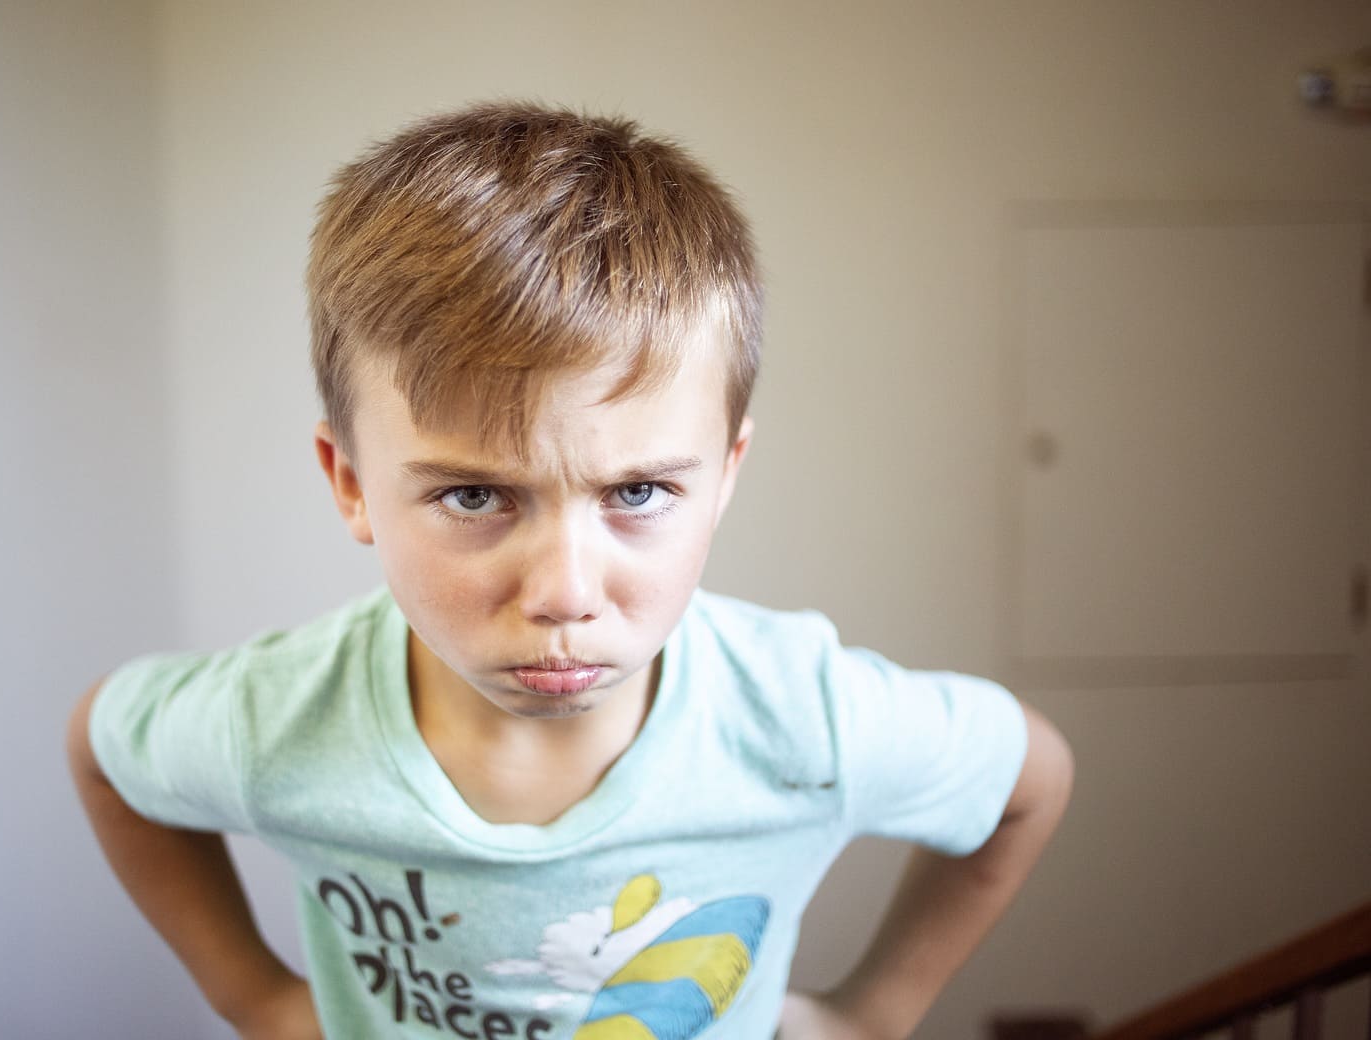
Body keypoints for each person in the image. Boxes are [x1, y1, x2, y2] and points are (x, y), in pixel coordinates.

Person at [66, 100, 1074, 1040]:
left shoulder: (802, 718)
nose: (564, 592)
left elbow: (1032, 777)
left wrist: (875, 1011)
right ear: (352, 482)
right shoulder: (278, 722)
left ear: (724, 474)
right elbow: (104, 750)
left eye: (636, 494)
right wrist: (255, 997)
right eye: (473, 496)